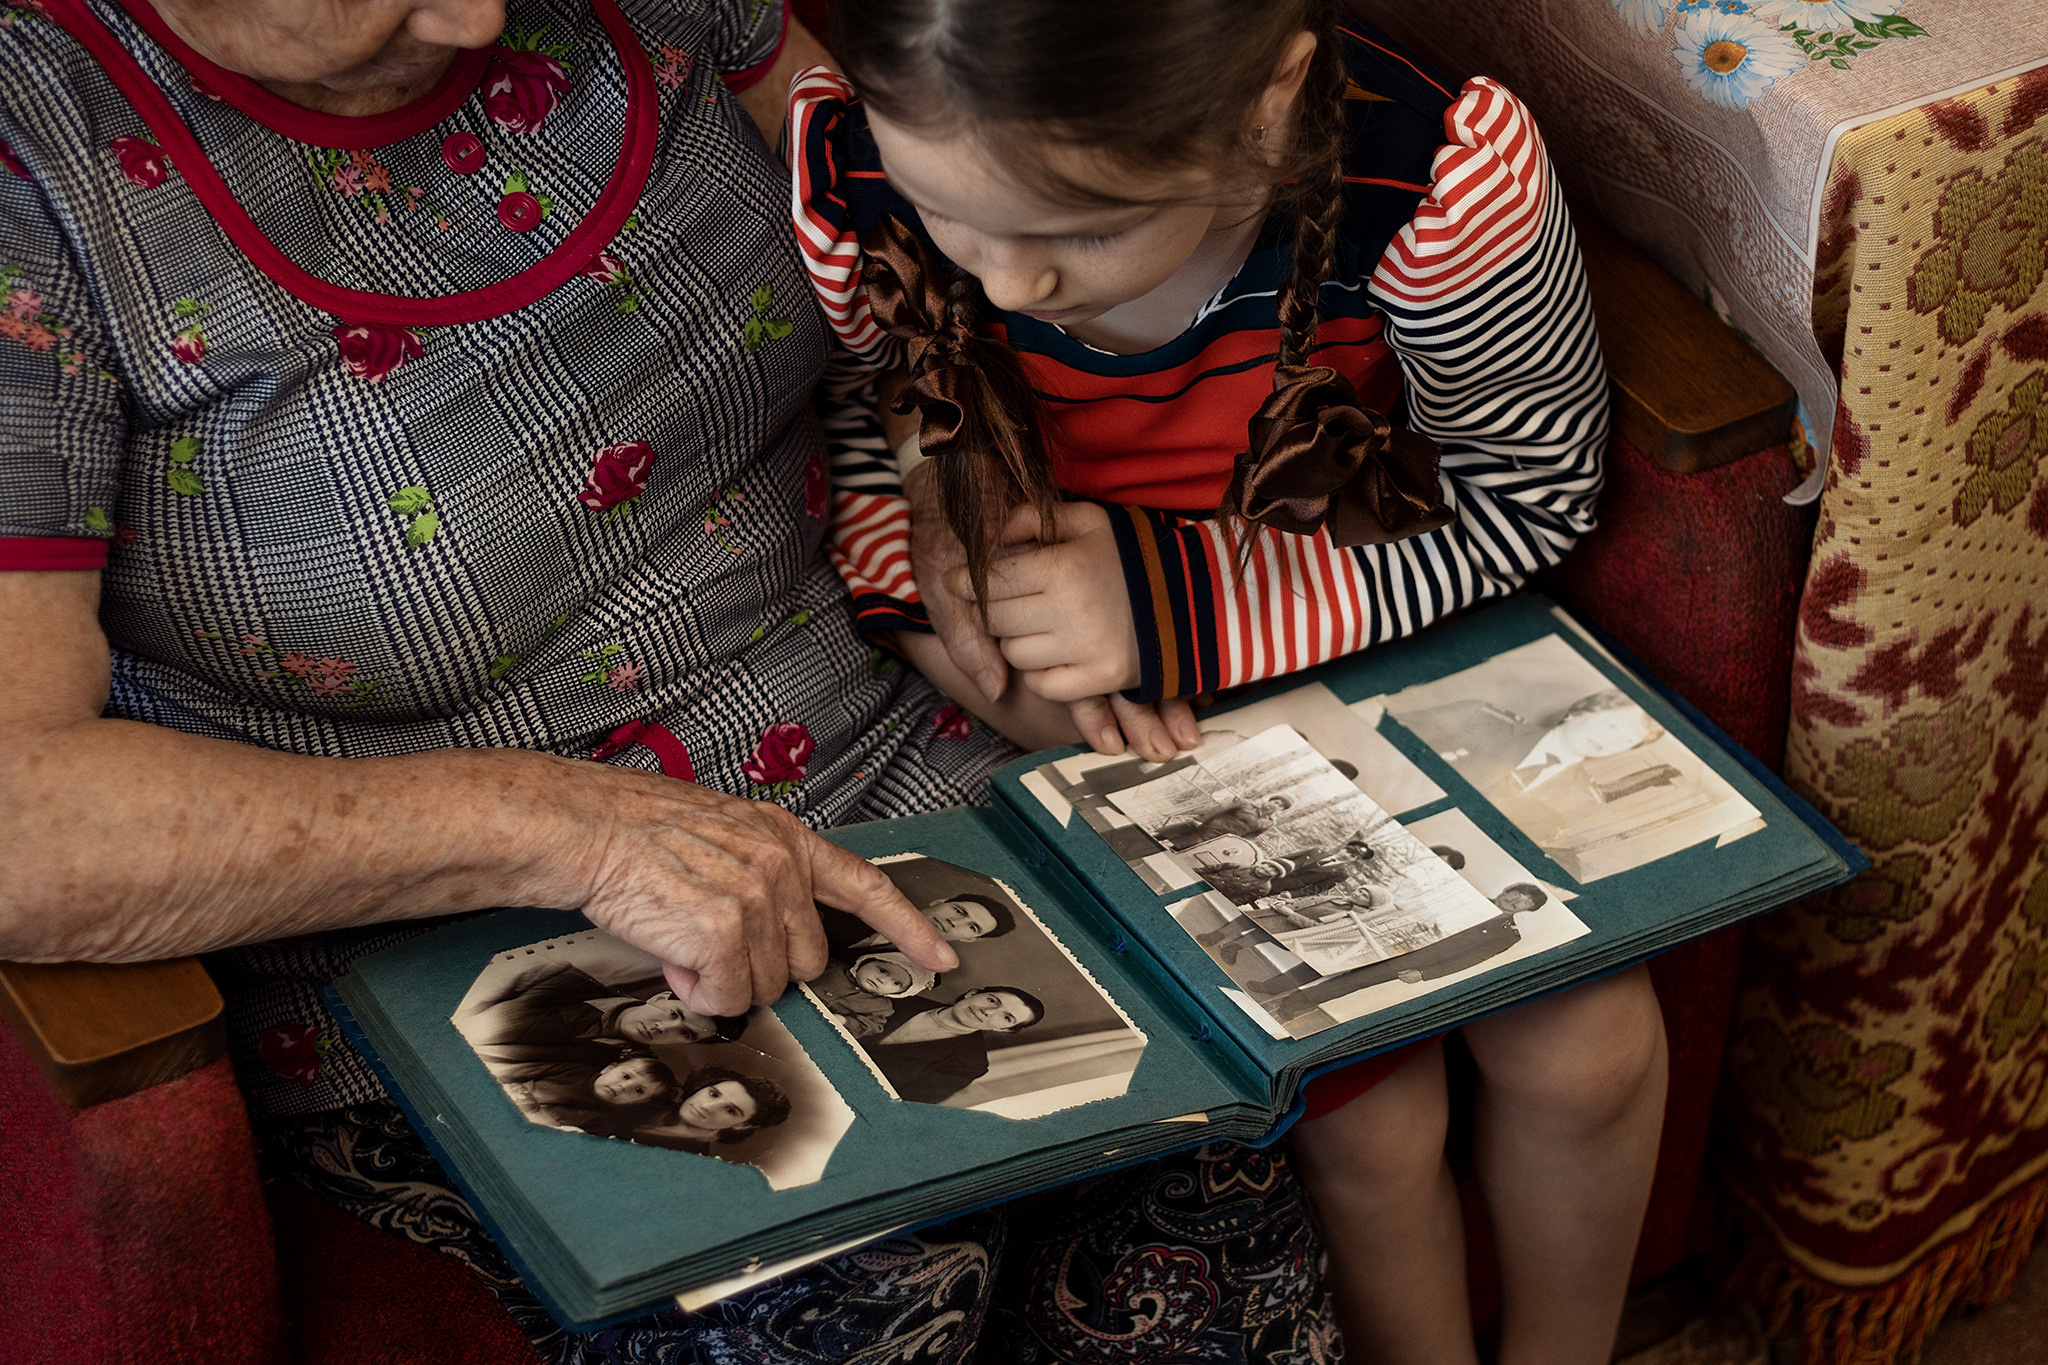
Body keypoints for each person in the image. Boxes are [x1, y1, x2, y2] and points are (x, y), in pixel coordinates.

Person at [0, 1, 1341, 1360]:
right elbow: (19, 815)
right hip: (484, 969)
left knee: (1211, 1198)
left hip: (918, 798)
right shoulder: (32, 159)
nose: (477, 16)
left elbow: (925, 201)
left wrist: (949, 442)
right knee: (865, 1302)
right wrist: (568, 830)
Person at [795, 3, 1667, 1362]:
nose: (1012, 286)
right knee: (1374, 1119)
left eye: (1082, 230)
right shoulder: (860, 164)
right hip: (1116, 718)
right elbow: (847, 418)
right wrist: (951, 611)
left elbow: (1527, 497)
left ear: (1268, 104)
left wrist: (1170, 601)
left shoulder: (1438, 180)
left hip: (1379, 622)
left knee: (1591, 1051)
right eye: (952, 218)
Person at [463, 959, 746, 1052]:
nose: (663, 1028)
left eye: (686, 1033)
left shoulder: (616, 1074)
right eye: (674, 1014)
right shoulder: (562, 976)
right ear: (659, 998)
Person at [858, 985, 1044, 1105]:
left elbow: (902, 1104)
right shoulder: (901, 997)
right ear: (972, 993)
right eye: (992, 1001)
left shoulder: (970, 1064)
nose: (988, 1011)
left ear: (1006, 1030)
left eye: (1006, 1017)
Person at [630, 1064, 794, 1155]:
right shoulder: (648, 1102)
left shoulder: (690, 1159)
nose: (707, 1106)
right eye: (713, 1094)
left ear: (743, 1125)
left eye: (730, 1110)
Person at [819, 890, 1015, 960]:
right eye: (958, 911)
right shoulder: (862, 900)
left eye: (972, 927)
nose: (953, 922)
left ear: (970, 939)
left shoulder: (919, 977)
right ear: (939, 901)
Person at [809, 947, 939, 1037]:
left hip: (817, 1026)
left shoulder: (881, 1008)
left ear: (903, 992)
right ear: (868, 960)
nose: (882, 980)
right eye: (882, 970)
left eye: (896, 983)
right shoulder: (832, 966)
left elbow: (872, 1026)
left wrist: (844, 1020)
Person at [1153, 793, 1294, 849]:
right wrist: (1201, 820)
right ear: (1270, 800)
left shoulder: (1269, 822)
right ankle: (1149, 843)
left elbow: (1252, 835)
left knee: (1188, 849)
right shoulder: (1246, 803)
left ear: (1281, 810)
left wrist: (1235, 843)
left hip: (1222, 838)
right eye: (1276, 802)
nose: (1275, 805)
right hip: (1211, 827)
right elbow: (1219, 809)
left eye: (1280, 806)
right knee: (1183, 839)